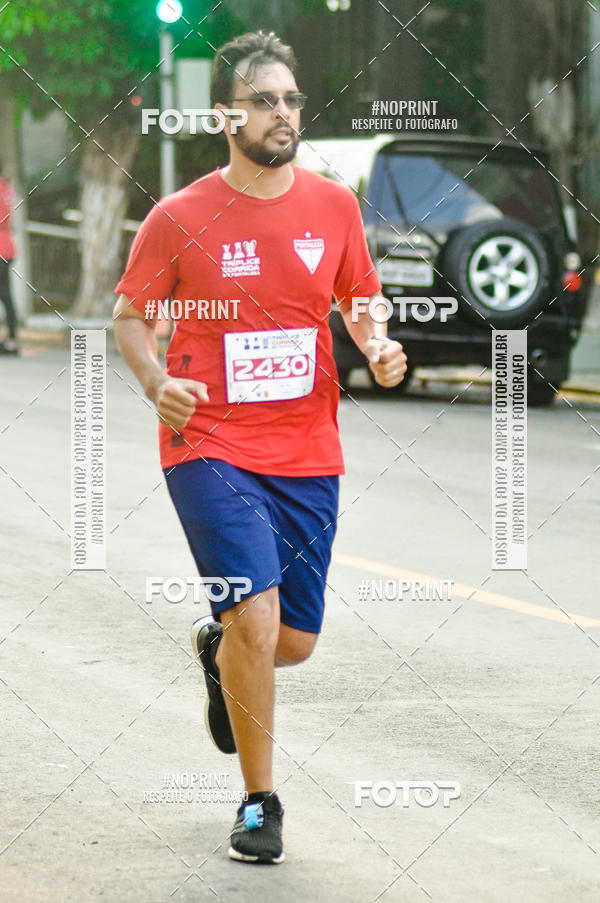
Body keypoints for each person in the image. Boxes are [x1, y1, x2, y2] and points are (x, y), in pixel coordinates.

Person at [113, 30, 407, 864]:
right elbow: (128, 315)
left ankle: (220, 650)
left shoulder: (333, 205)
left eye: (291, 101)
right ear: (225, 114)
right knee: (257, 609)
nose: (284, 115)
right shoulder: (179, 217)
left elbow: (360, 295)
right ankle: (257, 801)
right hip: (205, 444)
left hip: (308, 448)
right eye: (265, 101)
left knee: (293, 640)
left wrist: (377, 342)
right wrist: (152, 382)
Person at [0, 161, 19, 355]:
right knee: (6, 295)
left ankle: (10, 340)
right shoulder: (6, 186)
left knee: (5, 294)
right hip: (7, 244)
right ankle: (11, 339)